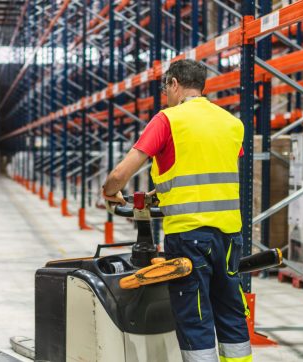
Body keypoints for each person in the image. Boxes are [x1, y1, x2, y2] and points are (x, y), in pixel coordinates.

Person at [102, 59, 251, 362]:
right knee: (230, 309)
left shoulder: (168, 119)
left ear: (173, 83)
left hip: (188, 235)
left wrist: (109, 191)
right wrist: (163, 193)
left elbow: (121, 173)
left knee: (194, 315)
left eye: (165, 87)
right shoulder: (231, 123)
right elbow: (207, 169)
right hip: (230, 235)